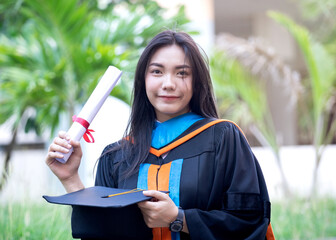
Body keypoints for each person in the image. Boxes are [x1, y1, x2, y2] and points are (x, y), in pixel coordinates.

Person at [46, 30, 274, 240]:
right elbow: (100, 233)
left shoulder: (223, 138)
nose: (168, 84)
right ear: (143, 80)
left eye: (182, 73)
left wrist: (180, 219)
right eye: (157, 71)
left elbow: (250, 223)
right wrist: (71, 180)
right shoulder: (116, 156)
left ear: (197, 81)